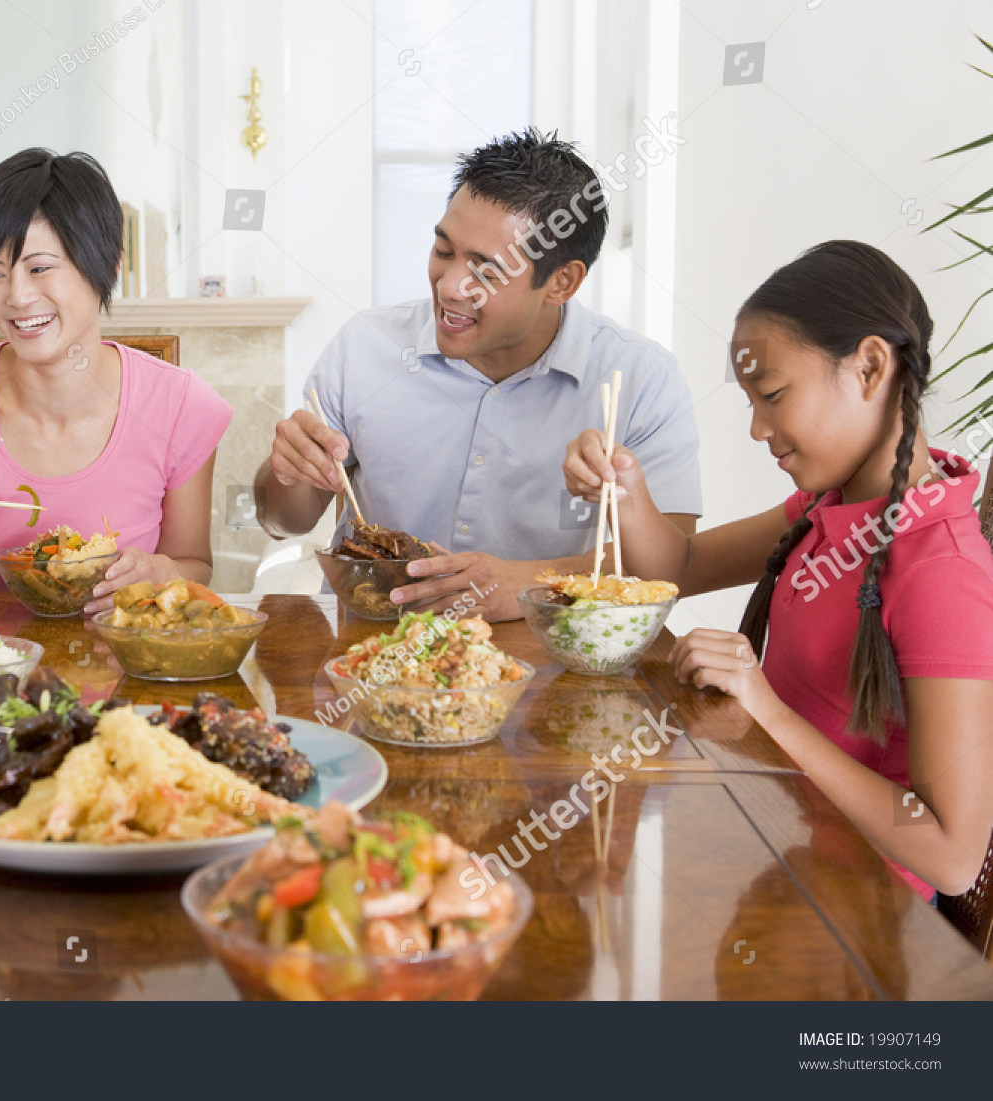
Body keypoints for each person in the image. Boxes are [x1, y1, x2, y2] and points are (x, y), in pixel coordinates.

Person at [564, 240, 993, 901]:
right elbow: (677, 564)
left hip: (860, 918)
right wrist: (624, 487)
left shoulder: (944, 571)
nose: (758, 428)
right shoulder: (829, 506)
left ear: (870, 366)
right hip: (779, 850)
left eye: (772, 394)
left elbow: (953, 855)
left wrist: (765, 705)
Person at [255, 128, 702, 620]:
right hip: (370, 651)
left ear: (561, 282)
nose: (449, 287)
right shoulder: (364, 347)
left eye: (486, 272)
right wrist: (288, 473)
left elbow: (669, 572)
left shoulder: (639, 378)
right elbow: (282, 521)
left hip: (549, 661)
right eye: (444, 252)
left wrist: (529, 582)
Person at [0, 148, 230, 611]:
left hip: (124, 674)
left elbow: (193, 564)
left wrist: (163, 572)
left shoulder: (183, 406)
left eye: (40, 267)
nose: (17, 297)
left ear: (109, 262)